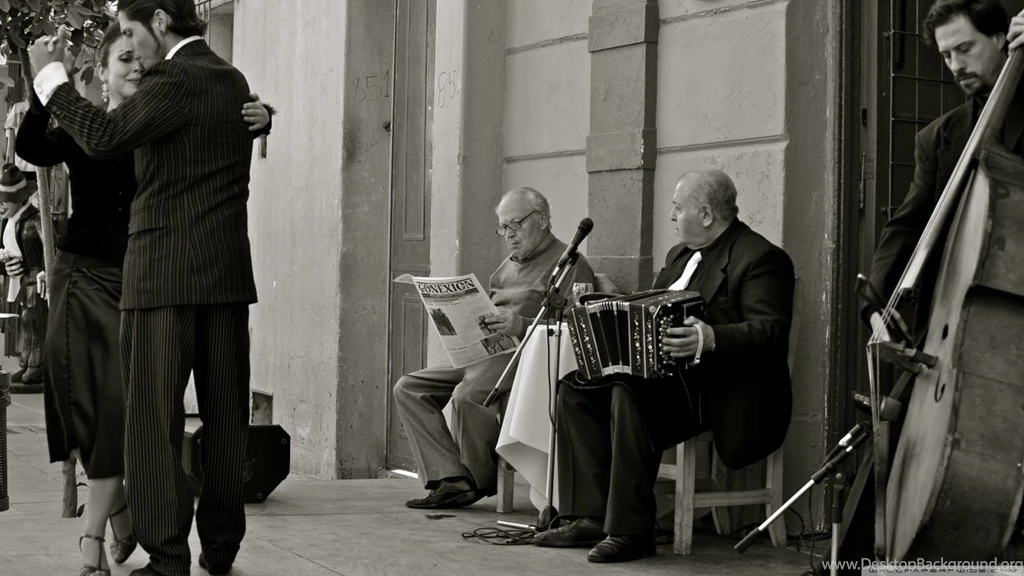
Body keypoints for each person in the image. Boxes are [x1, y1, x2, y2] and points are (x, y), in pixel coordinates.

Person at [17, 23, 272, 576]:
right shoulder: (94, 126)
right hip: (87, 281)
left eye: (142, 59)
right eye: (123, 60)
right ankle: (115, 518)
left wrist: (260, 117)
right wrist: (44, 96)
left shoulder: (164, 120)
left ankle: (118, 521)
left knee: (127, 416)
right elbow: (31, 147)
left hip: (151, 282)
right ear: (102, 73)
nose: (135, 67)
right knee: (96, 415)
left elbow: (213, 138)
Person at [533, 169, 795, 563]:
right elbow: (654, 309)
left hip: (721, 391)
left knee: (630, 392)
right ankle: (589, 514)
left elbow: (771, 331)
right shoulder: (679, 256)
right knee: (575, 386)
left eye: (677, 208)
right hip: (666, 382)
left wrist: (710, 338)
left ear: (706, 214)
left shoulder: (760, 258)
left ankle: (631, 531)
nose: (672, 217)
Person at [393, 187, 596, 509]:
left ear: (542, 219)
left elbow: (575, 327)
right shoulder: (506, 267)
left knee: (468, 395)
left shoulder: (570, 265)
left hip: (529, 354)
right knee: (409, 387)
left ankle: (475, 480)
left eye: (516, 224)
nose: (509, 235)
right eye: (503, 227)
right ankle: (450, 477)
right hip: (485, 350)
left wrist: (522, 324)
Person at [866, 0, 1024, 342]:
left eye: (965, 49)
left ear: (1001, 38)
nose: (955, 65)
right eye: (947, 55)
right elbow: (908, 224)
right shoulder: (937, 138)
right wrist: (876, 301)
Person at [0, 164, 46, 391]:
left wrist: (47, 271)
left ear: (18, 199)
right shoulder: (10, 224)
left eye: (5, 199)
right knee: (27, 321)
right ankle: (27, 361)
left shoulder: (35, 219)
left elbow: (50, 246)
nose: (1, 205)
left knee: (35, 320)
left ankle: (37, 364)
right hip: (23, 278)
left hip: (37, 278)